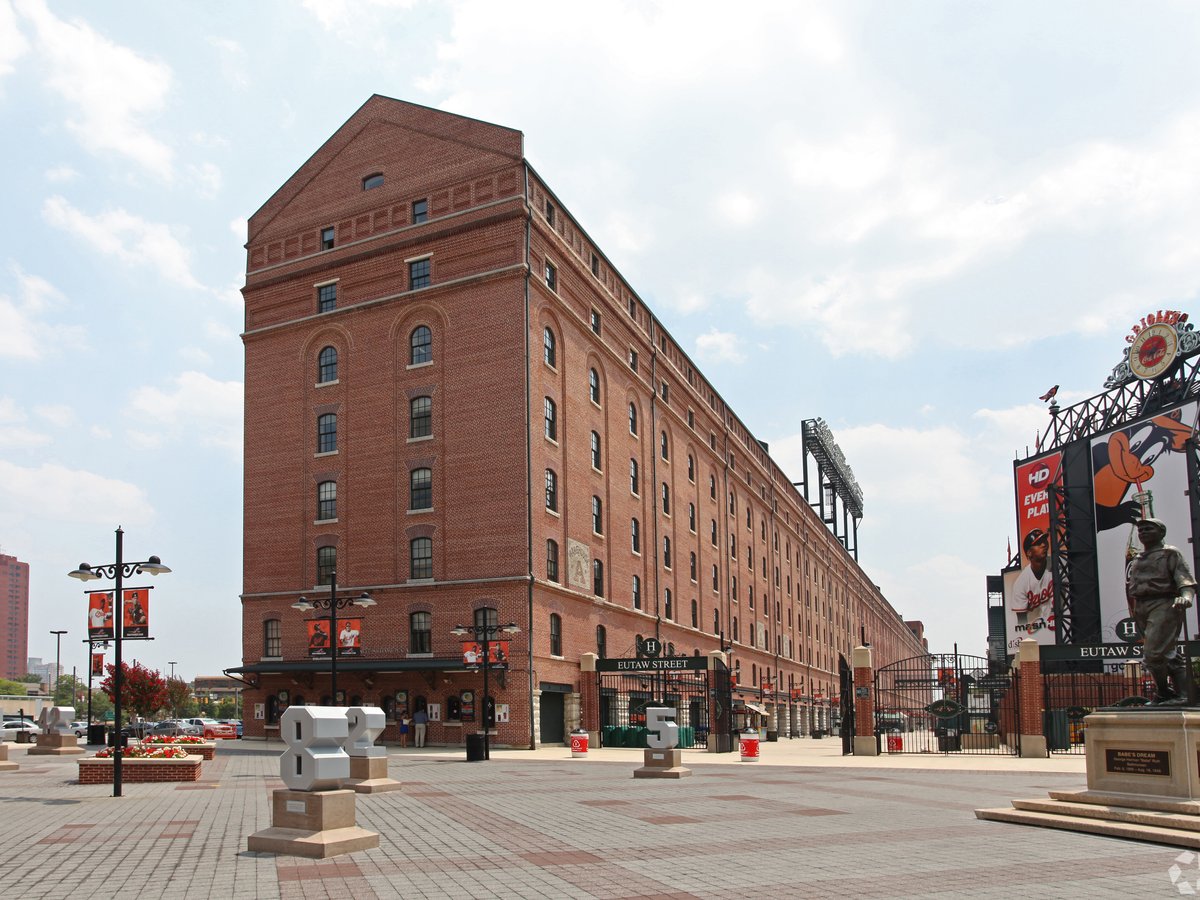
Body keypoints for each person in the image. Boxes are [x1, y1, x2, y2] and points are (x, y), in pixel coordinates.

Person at [1126, 518, 1197, 705]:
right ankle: (1182, 694)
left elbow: (1186, 581)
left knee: (1153, 653)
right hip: (1141, 606)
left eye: (1149, 528)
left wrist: (1186, 598)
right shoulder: (1138, 558)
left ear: (1161, 532)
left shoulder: (1170, 553)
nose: (1143, 532)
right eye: (1140, 530)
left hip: (1164, 602)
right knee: (1166, 653)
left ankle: (1165, 691)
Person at [1012, 529, 1053, 619]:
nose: (1044, 545)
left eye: (1044, 541)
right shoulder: (1021, 583)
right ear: (1029, 552)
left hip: (1062, 625)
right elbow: (1021, 622)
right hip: (1034, 630)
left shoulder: (1059, 566)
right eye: (1038, 543)